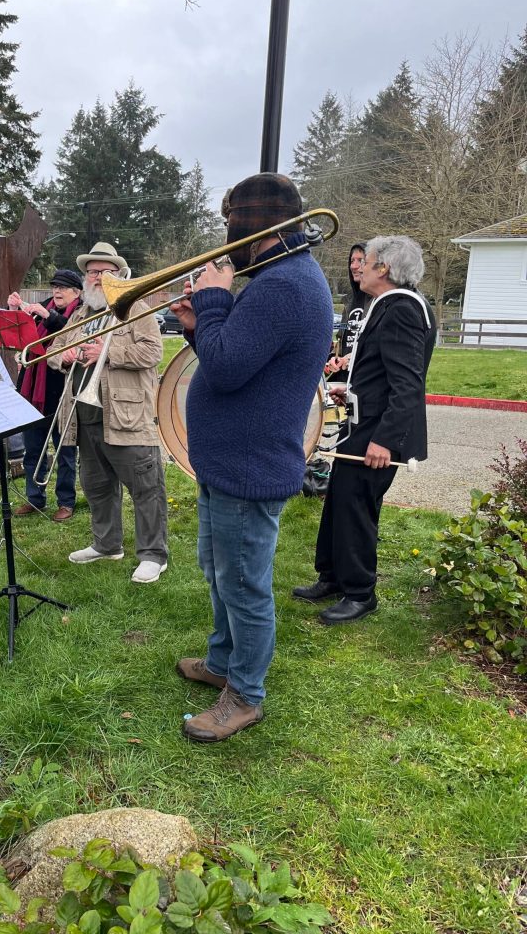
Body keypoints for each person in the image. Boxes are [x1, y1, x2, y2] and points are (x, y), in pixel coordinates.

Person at [170, 172, 333, 743]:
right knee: (219, 570)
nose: (225, 239)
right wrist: (199, 327)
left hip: (249, 464)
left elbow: (228, 369)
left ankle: (244, 694)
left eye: (230, 225)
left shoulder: (283, 285)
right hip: (231, 459)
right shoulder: (277, 277)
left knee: (243, 583)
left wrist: (214, 299)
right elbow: (230, 357)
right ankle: (223, 663)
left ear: (251, 228)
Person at [293, 235, 436, 624]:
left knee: (357, 508)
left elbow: (408, 386)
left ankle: (360, 592)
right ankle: (333, 576)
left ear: (383, 268)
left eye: (366, 261)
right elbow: (381, 372)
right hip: (363, 424)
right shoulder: (388, 305)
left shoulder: (403, 309)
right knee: (340, 499)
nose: (359, 267)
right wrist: (349, 391)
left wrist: (384, 441)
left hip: (377, 435)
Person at [47, 242, 168, 583]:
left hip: (125, 413)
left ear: (118, 274)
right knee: (97, 485)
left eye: (104, 272)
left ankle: (153, 555)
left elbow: (152, 352)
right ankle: (106, 544)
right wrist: (64, 357)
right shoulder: (81, 313)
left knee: (145, 487)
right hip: (84, 413)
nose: (97, 278)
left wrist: (107, 350)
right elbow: (55, 350)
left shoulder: (135, 307)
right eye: (91, 272)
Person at [9, 269, 83, 522]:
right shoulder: (44, 307)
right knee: (32, 449)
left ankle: (66, 501)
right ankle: (34, 497)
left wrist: (48, 316)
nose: (57, 291)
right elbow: (21, 335)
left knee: (65, 451)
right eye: (54, 286)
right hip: (32, 390)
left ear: (77, 292)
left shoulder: (80, 311)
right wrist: (15, 311)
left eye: (63, 287)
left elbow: (73, 334)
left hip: (62, 391)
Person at [324, 241, 369, 382]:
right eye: (351, 261)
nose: (354, 266)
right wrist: (333, 359)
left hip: (365, 381)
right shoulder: (349, 302)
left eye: (360, 261)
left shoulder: (380, 301)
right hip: (343, 381)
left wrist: (350, 359)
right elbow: (342, 343)